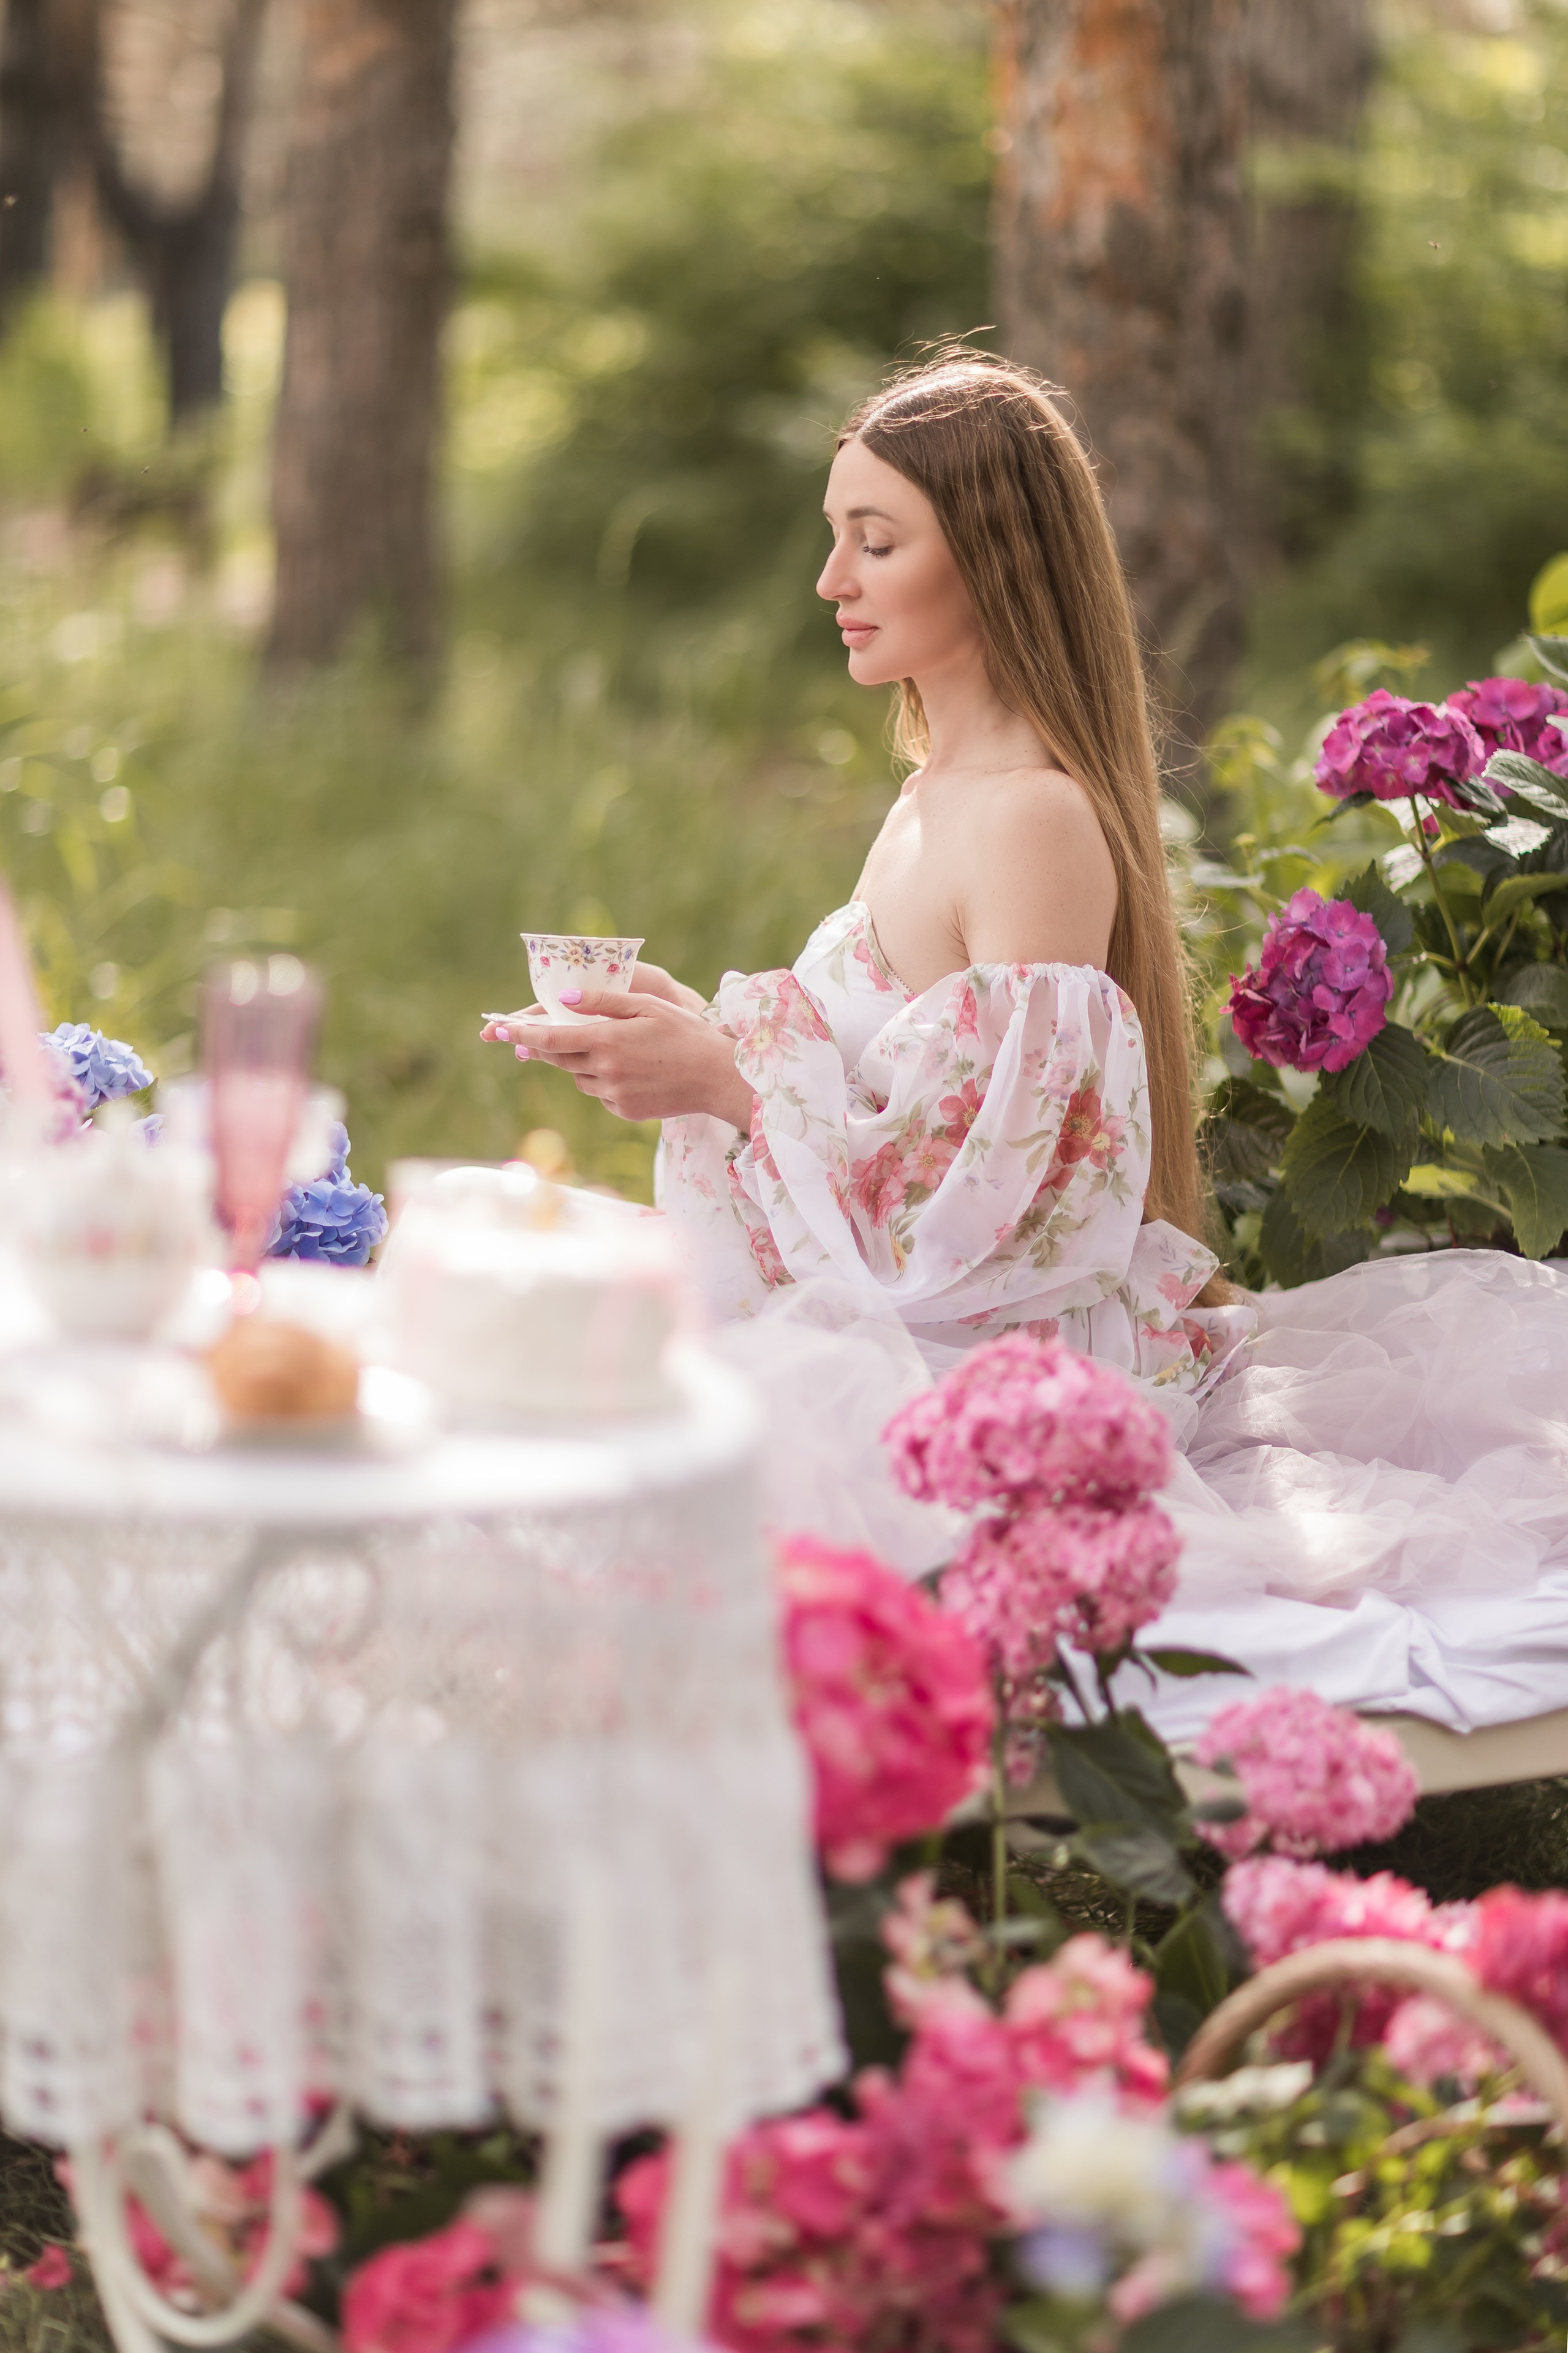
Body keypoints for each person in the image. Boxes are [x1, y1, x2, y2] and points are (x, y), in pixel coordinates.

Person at [483, 355, 1568, 1734]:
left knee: (605, 1445)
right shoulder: (930, 795)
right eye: (835, 536)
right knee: (509, 1298)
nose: (830, 579)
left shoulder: (1031, 823)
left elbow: (1015, 1206)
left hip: (980, 1369)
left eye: (875, 541)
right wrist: (687, 1041)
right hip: (888, 1325)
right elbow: (897, 1092)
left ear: (993, 557)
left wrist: (729, 1083)